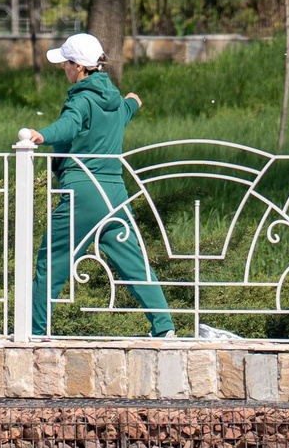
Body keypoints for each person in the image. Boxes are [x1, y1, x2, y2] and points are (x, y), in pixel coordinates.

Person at [17, 32, 174, 337]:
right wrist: (133, 102)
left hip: (83, 192)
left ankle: (33, 334)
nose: (63, 68)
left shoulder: (82, 99)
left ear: (78, 67)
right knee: (134, 263)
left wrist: (42, 135)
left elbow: (70, 125)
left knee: (51, 263)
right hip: (114, 194)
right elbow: (125, 110)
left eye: (65, 63)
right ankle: (165, 328)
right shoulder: (113, 100)